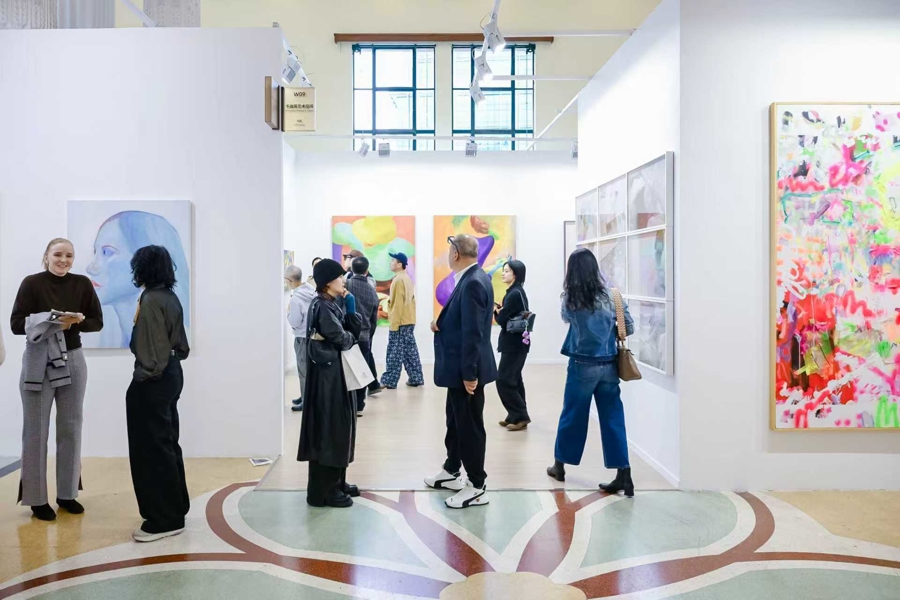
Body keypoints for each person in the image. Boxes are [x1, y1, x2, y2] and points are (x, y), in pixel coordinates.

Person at [11, 238, 103, 521]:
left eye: (69, 256)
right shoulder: (31, 283)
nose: (64, 260)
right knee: (36, 431)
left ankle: (67, 494)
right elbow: (16, 325)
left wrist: (75, 321)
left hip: (73, 360)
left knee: (71, 428)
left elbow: (96, 322)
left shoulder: (82, 284)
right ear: (47, 256)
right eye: (58, 254)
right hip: (39, 360)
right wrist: (51, 320)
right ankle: (37, 500)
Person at [546, 248, 636, 497]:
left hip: (581, 366)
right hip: (608, 366)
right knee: (613, 419)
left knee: (572, 416)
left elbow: (566, 318)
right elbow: (628, 326)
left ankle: (560, 466)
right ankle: (624, 475)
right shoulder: (612, 295)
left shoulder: (571, 298)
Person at [425, 235, 498, 509]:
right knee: (454, 422)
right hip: (458, 369)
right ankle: (452, 470)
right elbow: (463, 320)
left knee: (469, 427)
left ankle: (477, 485)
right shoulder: (471, 278)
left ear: (455, 253)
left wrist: (470, 374)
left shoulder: (474, 283)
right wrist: (440, 323)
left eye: (448, 250)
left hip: (466, 371)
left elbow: (473, 333)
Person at [126, 245, 191, 542]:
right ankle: (175, 509)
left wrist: (142, 383)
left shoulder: (151, 299)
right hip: (171, 376)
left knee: (151, 449)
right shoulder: (168, 296)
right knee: (166, 443)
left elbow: (152, 356)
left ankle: (164, 519)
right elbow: (180, 346)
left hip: (154, 380)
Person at [297, 259, 363, 508]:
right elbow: (343, 338)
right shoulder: (323, 307)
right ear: (327, 283)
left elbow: (348, 334)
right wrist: (345, 335)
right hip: (328, 379)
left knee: (338, 427)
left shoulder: (330, 304)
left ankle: (336, 483)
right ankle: (328, 490)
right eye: (339, 277)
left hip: (334, 375)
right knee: (332, 428)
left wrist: (350, 309)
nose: (344, 280)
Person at [85, 211, 190, 348]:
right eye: (96, 252)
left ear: (146, 261)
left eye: (107, 252)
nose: (91, 268)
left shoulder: (154, 302)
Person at [494, 260, 531, 431]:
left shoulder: (514, 294)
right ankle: (516, 416)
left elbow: (502, 320)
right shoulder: (517, 292)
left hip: (514, 343)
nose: (503, 273)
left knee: (504, 379)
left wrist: (496, 312)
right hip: (518, 342)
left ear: (515, 274)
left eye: (507, 271)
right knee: (515, 379)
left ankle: (520, 415)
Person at [380, 252, 424, 389]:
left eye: (393, 260)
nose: (390, 262)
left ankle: (389, 380)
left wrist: (394, 324)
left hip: (399, 322)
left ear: (399, 264)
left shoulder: (398, 280)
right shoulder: (406, 278)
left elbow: (398, 304)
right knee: (410, 351)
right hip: (408, 320)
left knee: (394, 352)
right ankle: (416, 377)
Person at [346, 257, 380, 416]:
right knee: (362, 371)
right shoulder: (371, 291)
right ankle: (359, 404)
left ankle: (347, 404)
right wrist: (369, 334)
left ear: (351, 269)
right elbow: (374, 318)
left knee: (347, 371)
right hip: (364, 336)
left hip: (347, 336)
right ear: (367, 271)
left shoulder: (347, 285)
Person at [286, 265, 316, 412]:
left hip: (301, 338)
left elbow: (295, 321)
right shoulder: (310, 290)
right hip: (312, 336)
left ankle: (306, 401)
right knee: (310, 370)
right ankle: (305, 396)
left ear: (289, 280)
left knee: (303, 371)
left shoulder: (295, 298)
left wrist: (288, 314)